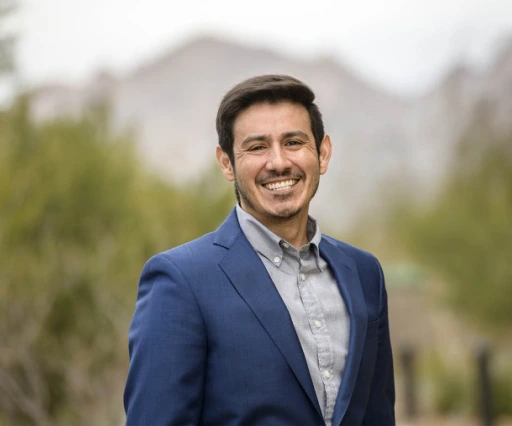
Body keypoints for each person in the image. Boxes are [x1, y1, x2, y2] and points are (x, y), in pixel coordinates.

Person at [124, 74, 396, 425]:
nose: (279, 162)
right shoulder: (181, 281)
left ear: (323, 153)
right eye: (257, 147)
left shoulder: (364, 273)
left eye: (294, 142)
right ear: (226, 163)